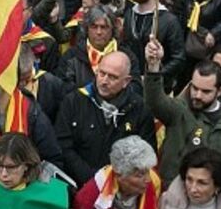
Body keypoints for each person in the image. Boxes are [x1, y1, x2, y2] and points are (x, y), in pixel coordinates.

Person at [143, 38, 221, 185]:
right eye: (195, 88)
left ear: (220, 91)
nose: (197, 95)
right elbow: (155, 101)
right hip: (174, 192)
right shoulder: (178, 111)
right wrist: (153, 66)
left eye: (205, 91)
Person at [55, 50, 155, 187]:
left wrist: (114, 181)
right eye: (101, 73)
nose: (104, 81)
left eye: (113, 77)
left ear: (126, 81)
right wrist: (94, 180)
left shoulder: (140, 109)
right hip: (79, 186)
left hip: (122, 188)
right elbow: (63, 147)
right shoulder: (73, 102)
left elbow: (145, 155)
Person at [121, 0, 186, 93]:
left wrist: (154, 76)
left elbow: (179, 59)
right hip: (131, 85)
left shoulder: (169, 20)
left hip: (158, 89)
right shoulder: (129, 14)